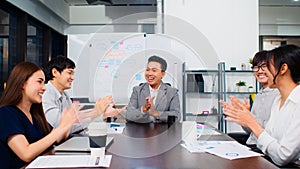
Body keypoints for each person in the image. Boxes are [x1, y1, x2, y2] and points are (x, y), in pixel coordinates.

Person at [223, 44, 300, 166]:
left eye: (267, 67)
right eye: (257, 68)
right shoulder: (278, 100)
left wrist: (252, 122)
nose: (262, 72)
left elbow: (282, 157)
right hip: (269, 160)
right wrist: (247, 121)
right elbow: (264, 139)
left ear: (283, 69)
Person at [0, 62, 79, 168]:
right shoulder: (6, 113)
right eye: (39, 82)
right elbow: (26, 153)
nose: (44, 88)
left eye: (44, 82)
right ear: (22, 83)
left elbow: (56, 139)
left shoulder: (35, 114)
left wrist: (67, 124)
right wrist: (60, 129)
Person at [42, 55, 123, 134]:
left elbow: (75, 122)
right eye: (69, 73)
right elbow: (60, 125)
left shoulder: (64, 95)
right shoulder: (46, 93)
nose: (72, 78)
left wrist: (101, 115)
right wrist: (97, 113)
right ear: (55, 72)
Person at [221, 51, 279, 146]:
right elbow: (251, 132)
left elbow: (271, 133)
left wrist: (248, 118)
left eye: (264, 66)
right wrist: (242, 118)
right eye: (256, 67)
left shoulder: (278, 94)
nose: (259, 71)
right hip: (253, 145)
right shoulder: (259, 95)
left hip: (265, 148)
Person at [126, 55, 181, 123]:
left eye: (154, 70)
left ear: (162, 74)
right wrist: (144, 109)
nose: (149, 73)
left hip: (164, 131)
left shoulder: (172, 92)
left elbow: (176, 116)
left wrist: (155, 113)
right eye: (147, 70)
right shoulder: (137, 90)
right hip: (141, 131)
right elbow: (128, 115)